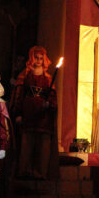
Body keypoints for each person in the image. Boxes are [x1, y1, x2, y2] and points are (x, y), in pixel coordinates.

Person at [11, 46, 59, 180]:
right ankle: (25, 170)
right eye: (36, 58)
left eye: (41, 58)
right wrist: (18, 113)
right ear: (32, 59)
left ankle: (40, 172)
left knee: (42, 145)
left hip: (43, 117)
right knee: (27, 143)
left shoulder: (49, 78)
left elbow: (52, 96)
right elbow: (19, 95)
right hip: (28, 114)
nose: (38, 60)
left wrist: (49, 104)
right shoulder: (25, 75)